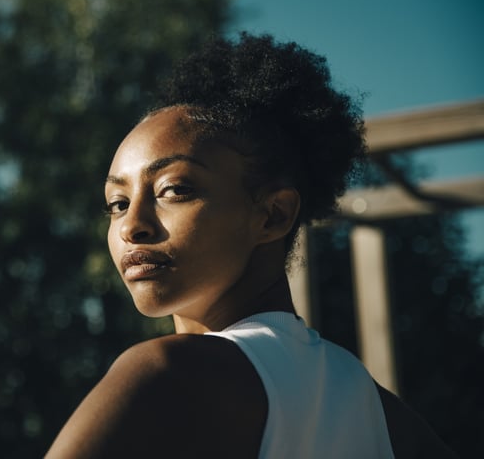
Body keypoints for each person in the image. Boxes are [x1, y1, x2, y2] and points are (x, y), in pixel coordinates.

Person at [45, 34, 456, 458]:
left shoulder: (164, 374)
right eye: (117, 203)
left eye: (174, 189)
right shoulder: (388, 416)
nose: (132, 225)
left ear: (273, 215)